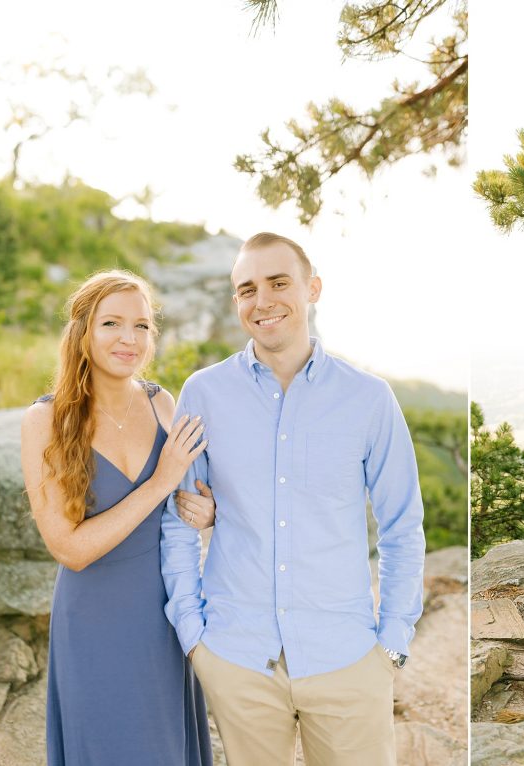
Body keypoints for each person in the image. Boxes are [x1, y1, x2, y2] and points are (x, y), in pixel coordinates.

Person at [161, 232, 426, 766]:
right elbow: (178, 520)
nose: (262, 301)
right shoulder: (204, 394)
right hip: (237, 658)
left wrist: (392, 642)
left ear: (313, 289)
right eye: (246, 289)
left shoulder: (369, 399)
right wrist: (194, 635)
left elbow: (402, 525)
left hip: (348, 659)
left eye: (278, 283)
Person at [21, 270, 215, 766]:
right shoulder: (45, 421)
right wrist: (159, 482)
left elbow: (182, 505)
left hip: (163, 617)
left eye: (142, 326)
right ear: (82, 331)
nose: (129, 339)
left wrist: (205, 509)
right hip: (92, 621)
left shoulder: (161, 403)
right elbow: (70, 549)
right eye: (112, 323)